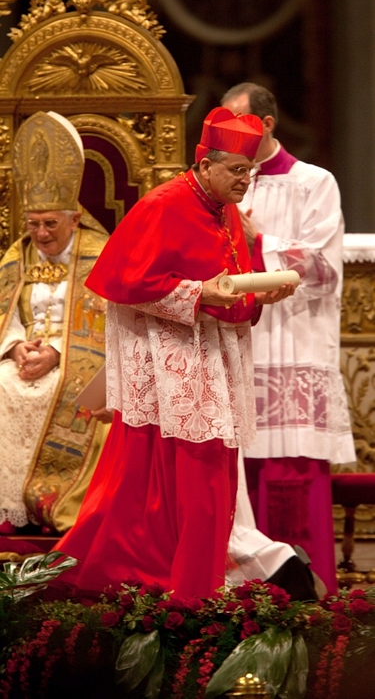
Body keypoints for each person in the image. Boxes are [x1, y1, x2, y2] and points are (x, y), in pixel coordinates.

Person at [52, 106, 315, 601]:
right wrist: (201, 295)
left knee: (212, 487)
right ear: (205, 164)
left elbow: (228, 285)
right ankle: (180, 593)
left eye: (251, 171)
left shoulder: (225, 209)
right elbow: (125, 283)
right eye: (237, 171)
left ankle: (196, 588)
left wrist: (257, 297)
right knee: (174, 487)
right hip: (170, 367)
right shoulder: (163, 205)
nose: (246, 180)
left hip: (211, 360)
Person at [221, 83, 356, 593]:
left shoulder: (313, 182)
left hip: (291, 345)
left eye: (239, 125)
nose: (230, 138)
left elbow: (323, 268)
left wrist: (262, 240)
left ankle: (308, 603)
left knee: (288, 476)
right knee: (236, 486)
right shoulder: (226, 182)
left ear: (267, 125)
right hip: (238, 349)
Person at [0, 111, 111, 536]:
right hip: (22, 360)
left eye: (50, 224)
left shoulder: (100, 254)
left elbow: (108, 323)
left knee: (62, 391)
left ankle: (58, 508)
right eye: (33, 224)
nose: (41, 234)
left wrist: (57, 353)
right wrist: (15, 348)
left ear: (74, 218)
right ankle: (13, 509)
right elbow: (6, 314)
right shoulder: (19, 253)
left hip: (79, 363)